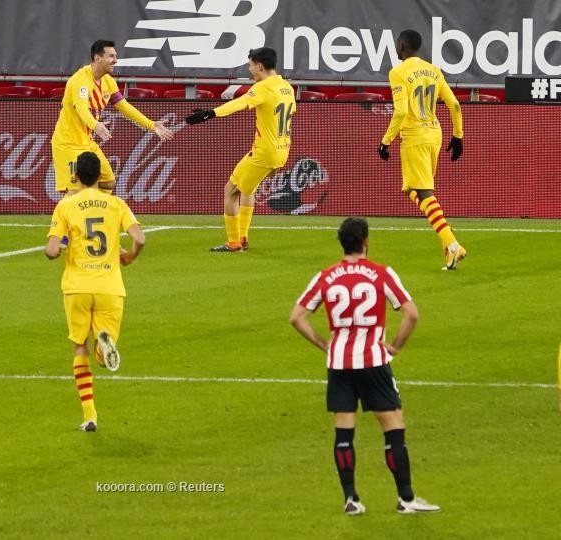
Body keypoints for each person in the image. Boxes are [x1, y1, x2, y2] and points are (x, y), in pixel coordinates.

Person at [290, 217, 440, 515]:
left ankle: (351, 499)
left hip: (339, 363)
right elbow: (411, 314)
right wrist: (396, 345)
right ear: (366, 242)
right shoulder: (380, 273)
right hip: (373, 361)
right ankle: (406, 499)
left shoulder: (326, 276)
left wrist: (323, 344)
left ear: (342, 243)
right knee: (393, 428)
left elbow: (296, 317)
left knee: (344, 433)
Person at [45, 151, 145, 432]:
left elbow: (52, 250)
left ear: (74, 175)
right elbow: (140, 238)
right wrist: (129, 257)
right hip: (110, 287)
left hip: (77, 286)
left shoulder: (66, 206)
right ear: (101, 176)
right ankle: (105, 346)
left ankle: (90, 417)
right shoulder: (116, 204)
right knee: (102, 353)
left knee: (80, 346)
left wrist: (56, 250)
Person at [185, 47, 294, 252]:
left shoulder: (264, 87)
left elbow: (241, 103)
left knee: (231, 190)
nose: (249, 69)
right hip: (282, 150)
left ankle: (234, 242)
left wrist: (210, 113)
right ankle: (242, 237)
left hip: (264, 152)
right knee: (248, 189)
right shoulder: (286, 86)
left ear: (259, 66)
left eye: (251, 65)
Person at [379, 29, 466, 270]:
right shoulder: (434, 70)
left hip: (415, 136)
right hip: (434, 134)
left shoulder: (398, 72)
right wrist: (458, 135)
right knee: (412, 188)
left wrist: (386, 140)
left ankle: (452, 244)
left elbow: (401, 111)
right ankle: (447, 250)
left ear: (403, 47)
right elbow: (454, 104)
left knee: (425, 193)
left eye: (397, 45)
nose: (396, 49)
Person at [51, 39, 173, 196]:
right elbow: (81, 108)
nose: (115, 60)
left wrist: (151, 124)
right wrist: (96, 125)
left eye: (115, 56)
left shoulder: (108, 81)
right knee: (75, 191)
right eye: (111, 56)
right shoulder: (80, 80)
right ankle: (61, 221)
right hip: (67, 144)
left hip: (87, 143)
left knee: (108, 182)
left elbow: (124, 106)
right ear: (97, 58)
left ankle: (95, 211)